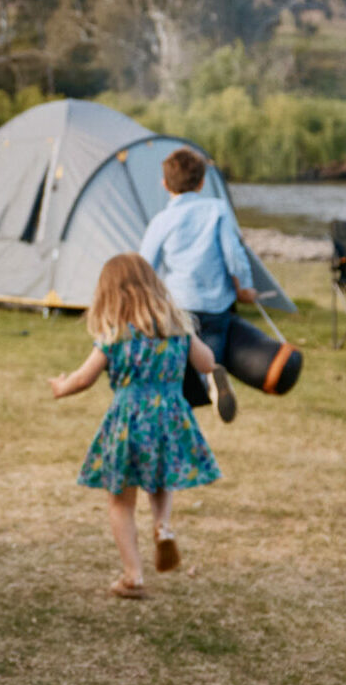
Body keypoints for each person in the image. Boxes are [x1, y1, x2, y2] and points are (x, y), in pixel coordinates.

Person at [49, 252, 220, 598]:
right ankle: (163, 526)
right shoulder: (177, 328)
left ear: (110, 294)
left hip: (129, 420)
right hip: (171, 416)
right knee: (160, 479)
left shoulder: (115, 336)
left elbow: (84, 378)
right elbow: (207, 364)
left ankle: (133, 576)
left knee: (121, 502)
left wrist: (61, 386)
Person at [138, 146, 257, 422]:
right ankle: (212, 380)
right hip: (216, 305)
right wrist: (244, 287)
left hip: (179, 306)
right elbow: (234, 255)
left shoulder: (162, 220)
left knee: (178, 365)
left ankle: (179, 407)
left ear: (165, 184)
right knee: (209, 356)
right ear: (202, 182)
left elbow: (146, 265)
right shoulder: (217, 210)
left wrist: (146, 301)